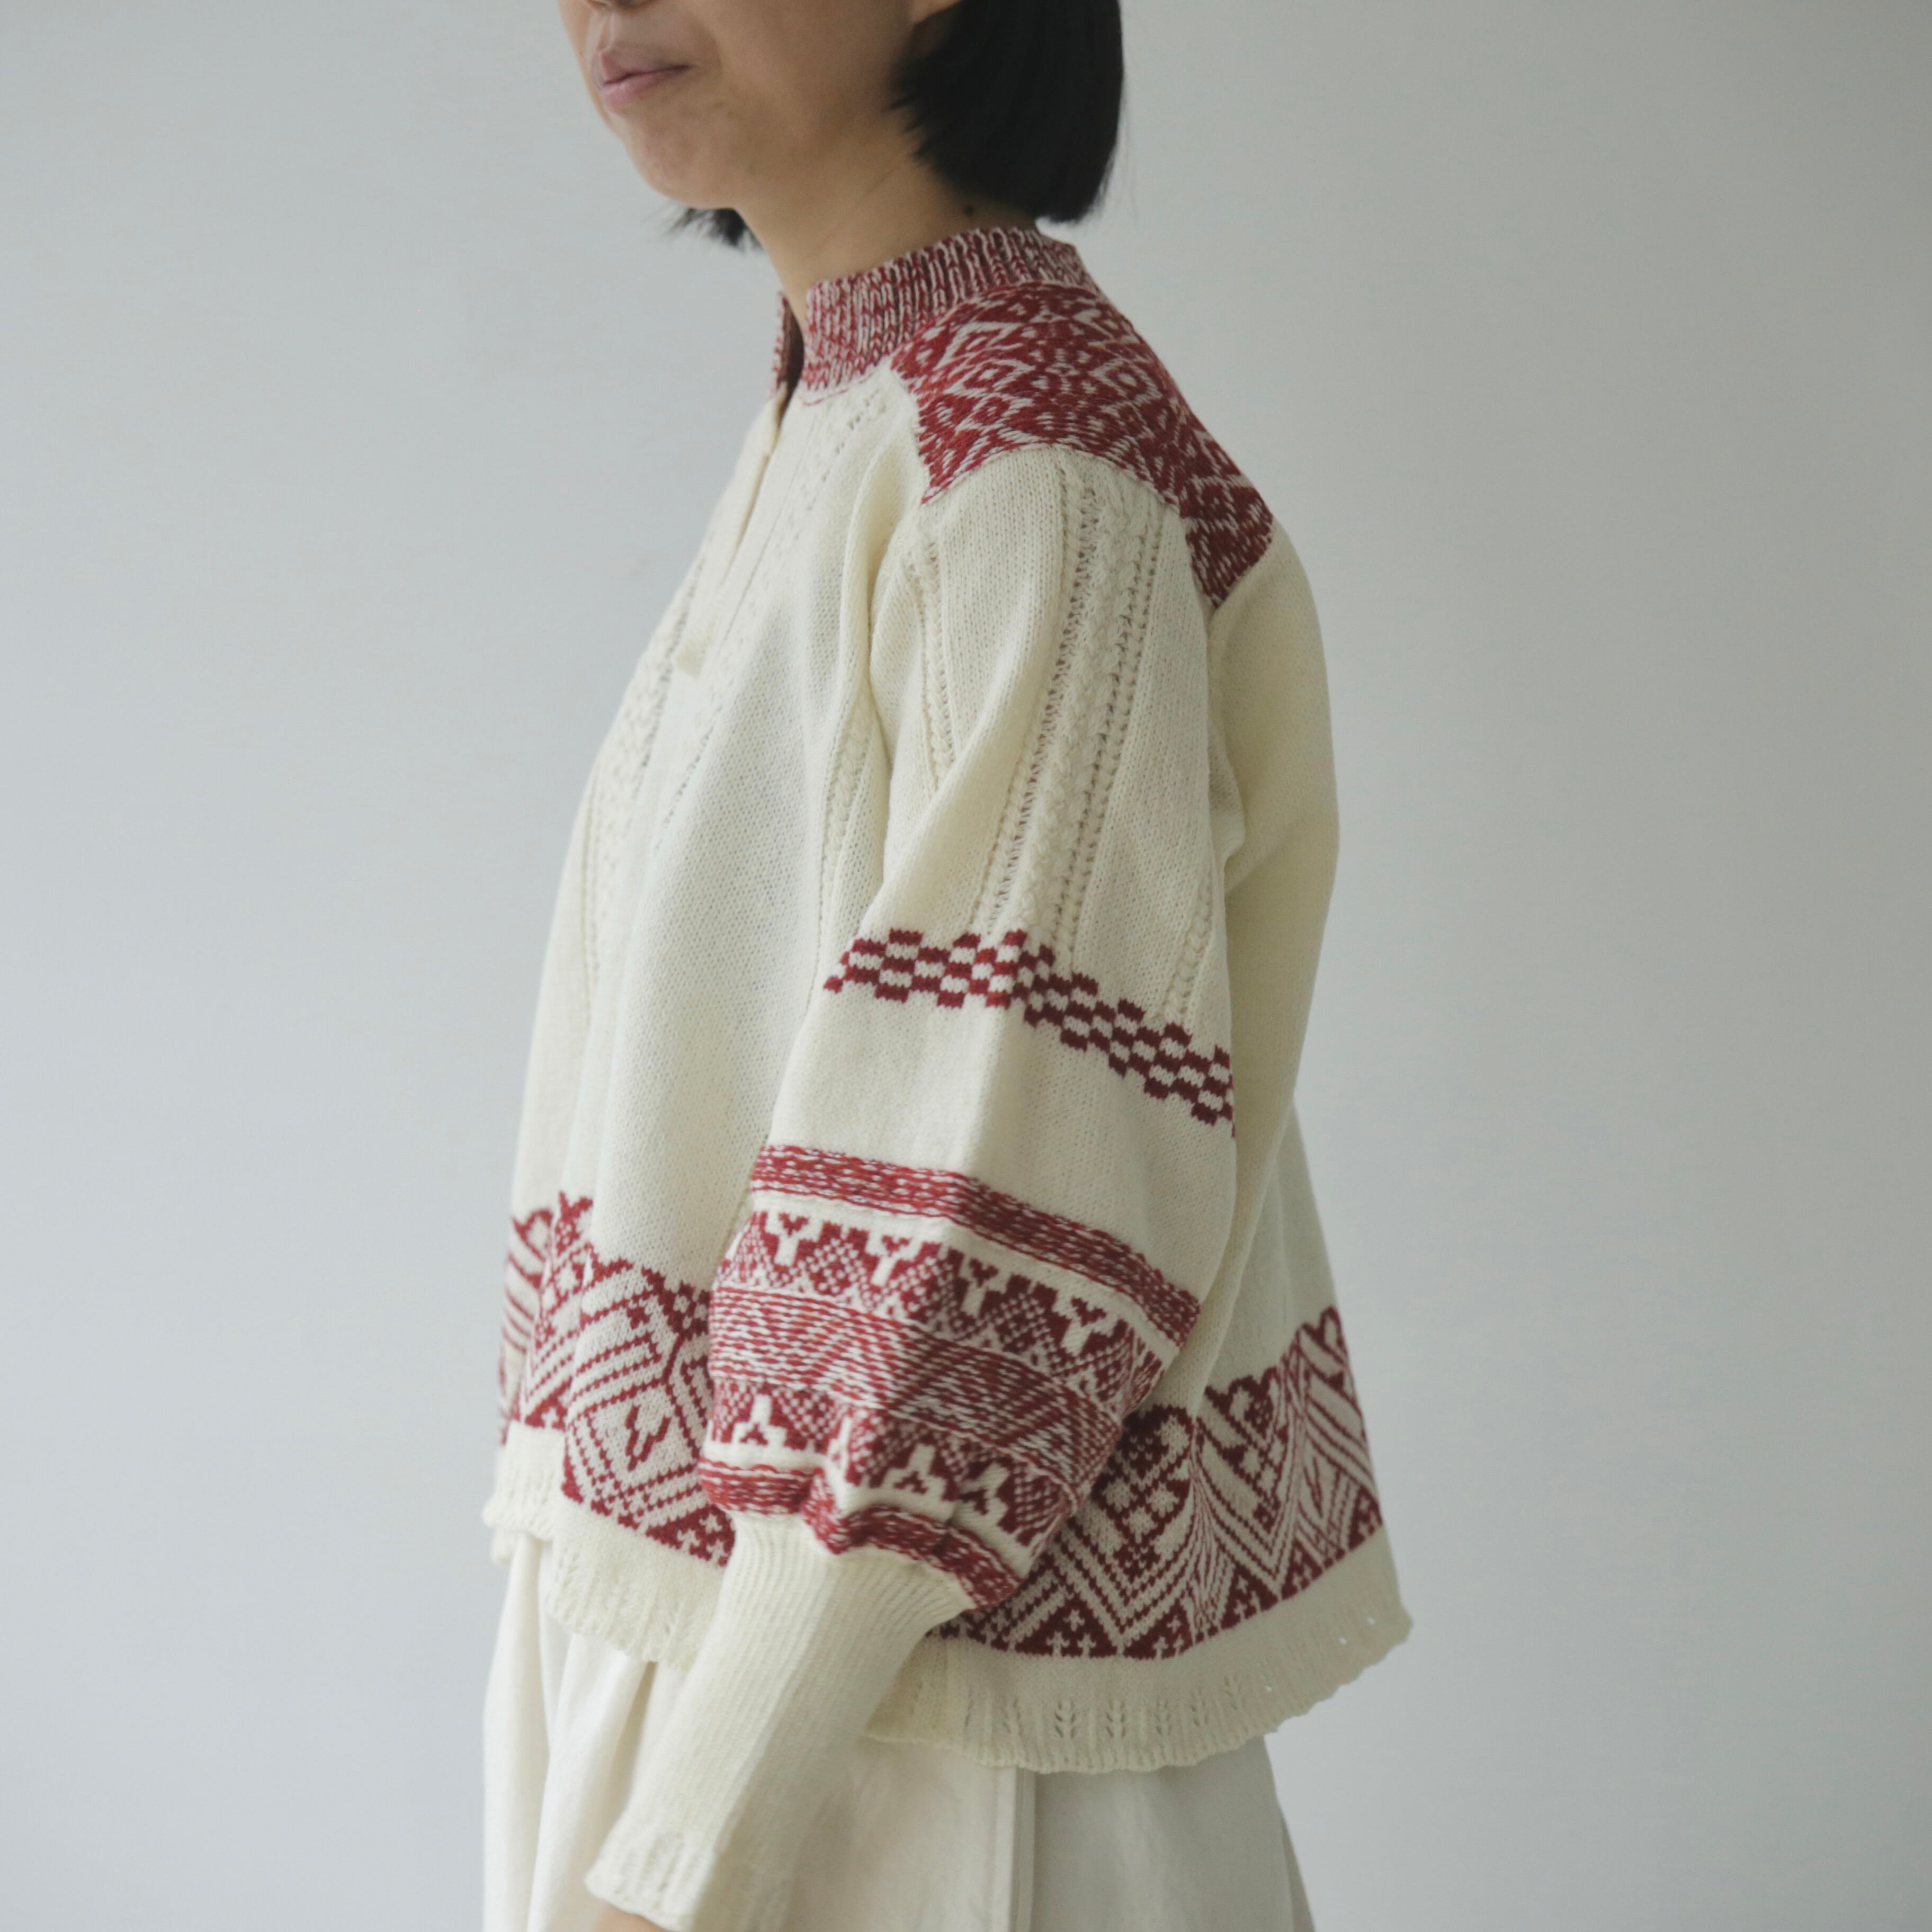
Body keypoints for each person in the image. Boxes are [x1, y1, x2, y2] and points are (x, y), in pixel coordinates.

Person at [480, 0, 1412, 1927]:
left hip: (904, 1766)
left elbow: (995, 1178)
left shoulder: (1029, 463)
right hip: (766, 1692)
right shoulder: (859, 402)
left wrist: (691, 1842)